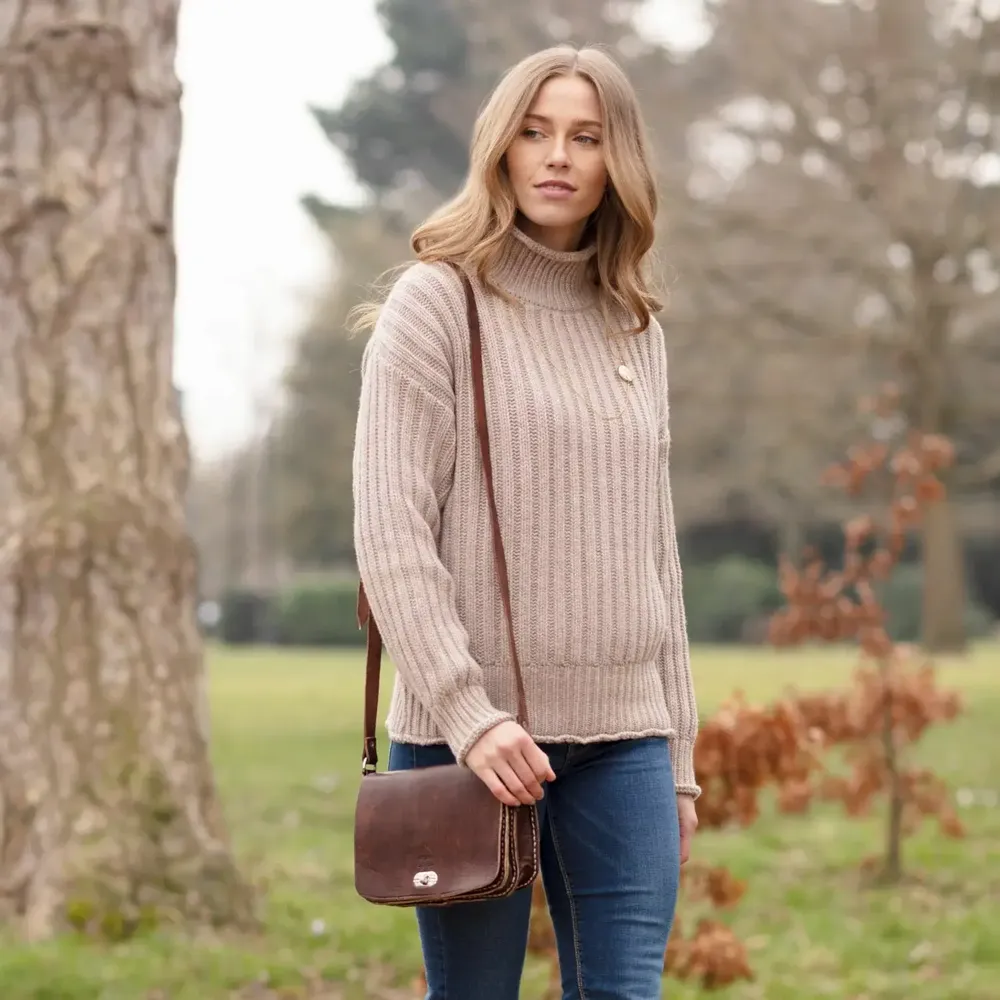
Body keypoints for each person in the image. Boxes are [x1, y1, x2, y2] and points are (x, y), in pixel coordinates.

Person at [351, 43, 700, 1000]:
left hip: (627, 740)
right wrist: (470, 718)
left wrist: (679, 761)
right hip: (471, 748)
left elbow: (655, 554)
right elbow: (391, 536)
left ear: (616, 160)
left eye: (586, 137)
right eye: (535, 133)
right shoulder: (435, 303)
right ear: (500, 148)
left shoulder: (633, 325)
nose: (557, 156)